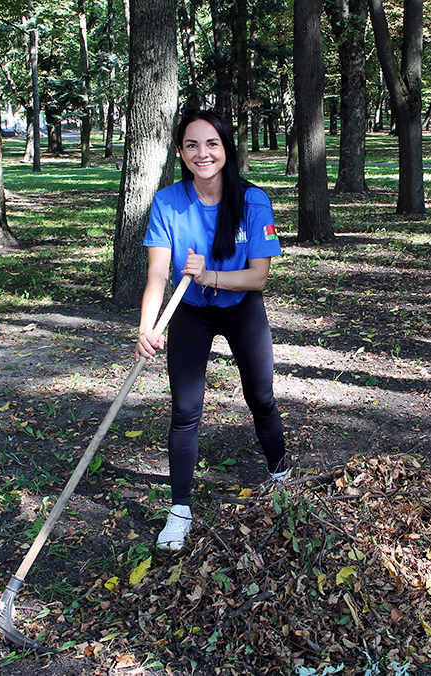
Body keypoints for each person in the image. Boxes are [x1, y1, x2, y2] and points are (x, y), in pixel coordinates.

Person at [136, 109, 287, 551]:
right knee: (185, 410)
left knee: (260, 395)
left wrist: (210, 277)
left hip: (241, 307)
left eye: (212, 144)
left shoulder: (253, 200)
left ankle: (280, 476)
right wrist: (146, 325)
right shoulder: (167, 202)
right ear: (181, 153)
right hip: (190, 311)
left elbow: (258, 276)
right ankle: (179, 509)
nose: (202, 153)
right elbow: (157, 277)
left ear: (226, 148)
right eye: (191, 145)